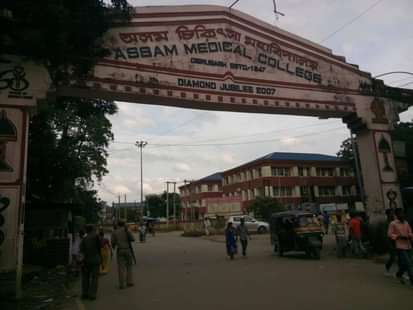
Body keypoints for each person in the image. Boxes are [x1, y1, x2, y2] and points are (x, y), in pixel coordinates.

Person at [388, 208, 413, 285]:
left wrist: (409, 236)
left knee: (408, 263)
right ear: (397, 215)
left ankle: (399, 273)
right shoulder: (393, 224)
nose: (402, 215)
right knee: (408, 263)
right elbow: (390, 234)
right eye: (400, 214)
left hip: (408, 245)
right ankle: (412, 278)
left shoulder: (406, 223)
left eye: (403, 213)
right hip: (400, 246)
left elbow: (410, 232)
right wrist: (398, 237)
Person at [111, 220, 135, 289]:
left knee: (121, 268)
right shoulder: (127, 230)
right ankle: (129, 282)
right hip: (127, 249)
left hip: (120, 250)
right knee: (129, 266)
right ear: (124, 224)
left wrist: (114, 246)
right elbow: (133, 239)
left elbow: (113, 242)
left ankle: (122, 284)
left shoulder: (115, 232)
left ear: (118, 224)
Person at [80, 225, 101, 300]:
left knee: (85, 278)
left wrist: (81, 261)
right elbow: (99, 247)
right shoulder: (96, 236)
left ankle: (85, 293)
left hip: (86, 260)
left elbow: (81, 250)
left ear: (86, 230)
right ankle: (92, 294)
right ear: (92, 229)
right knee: (94, 278)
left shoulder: (84, 238)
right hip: (95, 259)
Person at [384, 209, 396, 276]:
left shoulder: (395, 222)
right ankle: (387, 268)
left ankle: (401, 271)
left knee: (400, 256)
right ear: (388, 214)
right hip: (390, 242)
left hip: (396, 241)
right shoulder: (387, 223)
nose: (392, 215)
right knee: (393, 257)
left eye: (393, 213)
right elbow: (385, 234)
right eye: (391, 213)